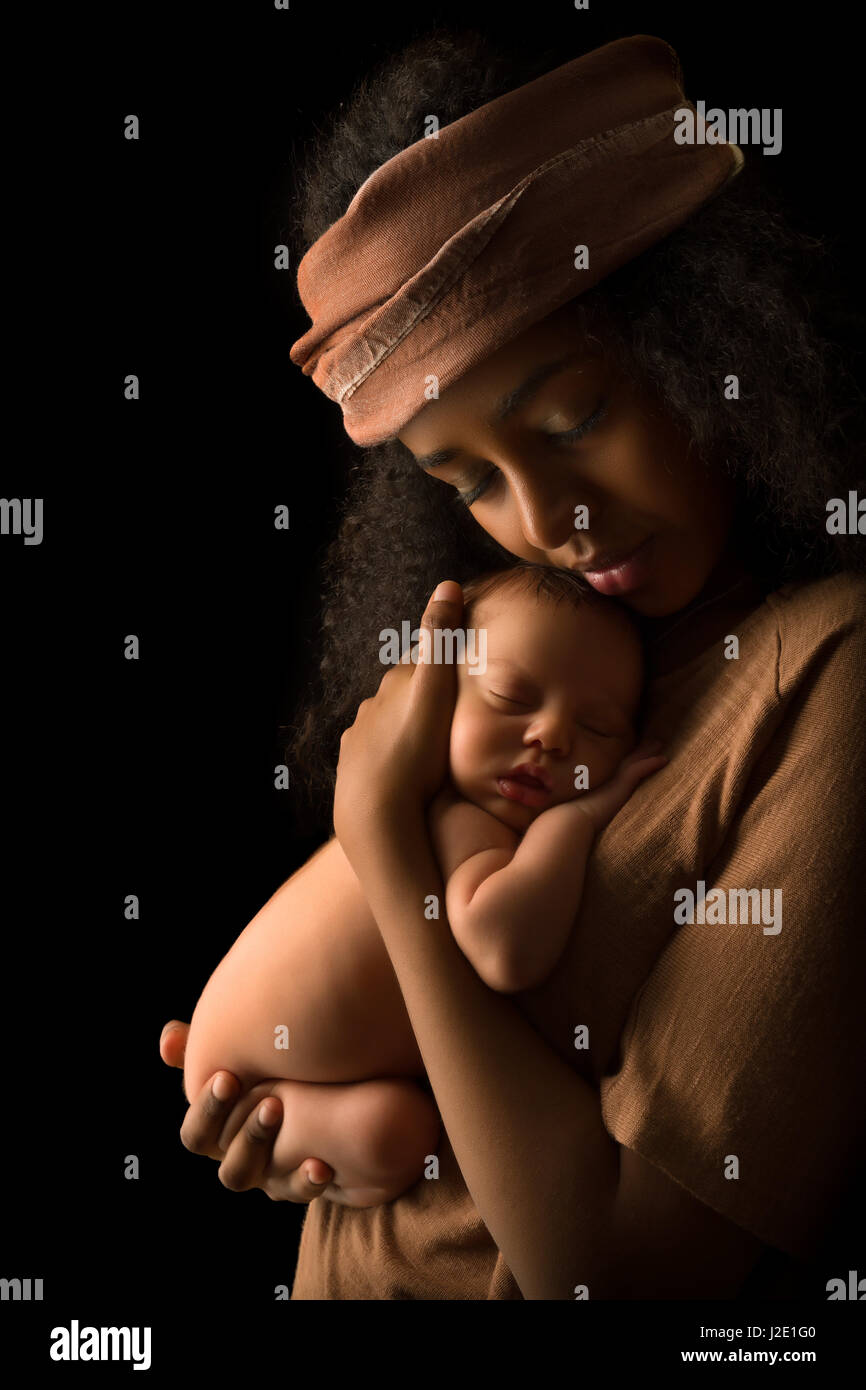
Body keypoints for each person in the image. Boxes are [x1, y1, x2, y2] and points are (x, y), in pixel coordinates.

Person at [160, 30, 866, 1299]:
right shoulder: (525, 673)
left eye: (573, 417)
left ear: (706, 334)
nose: (546, 520)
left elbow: (612, 1270)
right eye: (468, 478)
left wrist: (381, 839)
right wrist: (297, 1113)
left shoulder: (830, 673)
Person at [180, 565, 666, 1208]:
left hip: (252, 1069)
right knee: (397, 1141)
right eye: (510, 698)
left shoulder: (434, 816)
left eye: (599, 729)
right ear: (431, 692)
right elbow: (505, 947)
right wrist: (578, 819)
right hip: (249, 1071)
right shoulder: (452, 819)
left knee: (392, 1131)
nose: (550, 737)